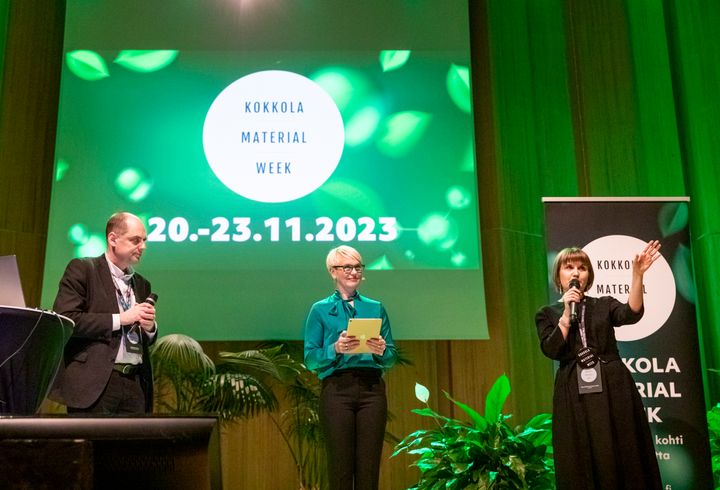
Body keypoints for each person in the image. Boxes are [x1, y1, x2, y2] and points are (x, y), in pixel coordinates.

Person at [535, 241, 663, 489]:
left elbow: (631, 313)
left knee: (621, 447)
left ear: (588, 276)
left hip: (613, 385)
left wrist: (637, 275)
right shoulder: (546, 313)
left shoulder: (603, 304)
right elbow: (551, 349)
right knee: (580, 451)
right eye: (569, 267)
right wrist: (565, 317)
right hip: (573, 389)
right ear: (558, 276)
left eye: (582, 268)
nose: (575, 273)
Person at [304, 246, 398, 490]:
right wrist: (335, 348)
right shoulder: (320, 310)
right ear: (333, 272)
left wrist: (381, 351)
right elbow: (311, 359)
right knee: (340, 468)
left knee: (369, 467)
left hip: (372, 390)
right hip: (337, 390)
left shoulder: (376, 307)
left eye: (358, 267)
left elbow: (391, 356)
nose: (354, 272)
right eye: (347, 267)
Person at [50, 212, 157, 415]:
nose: (143, 246)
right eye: (135, 240)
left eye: (144, 240)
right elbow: (67, 319)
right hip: (96, 384)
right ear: (113, 239)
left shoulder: (142, 283)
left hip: (135, 382)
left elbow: (142, 337)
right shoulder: (83, 269)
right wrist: (121, 319)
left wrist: (150, 328)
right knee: (90, 446)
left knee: (129, 447)